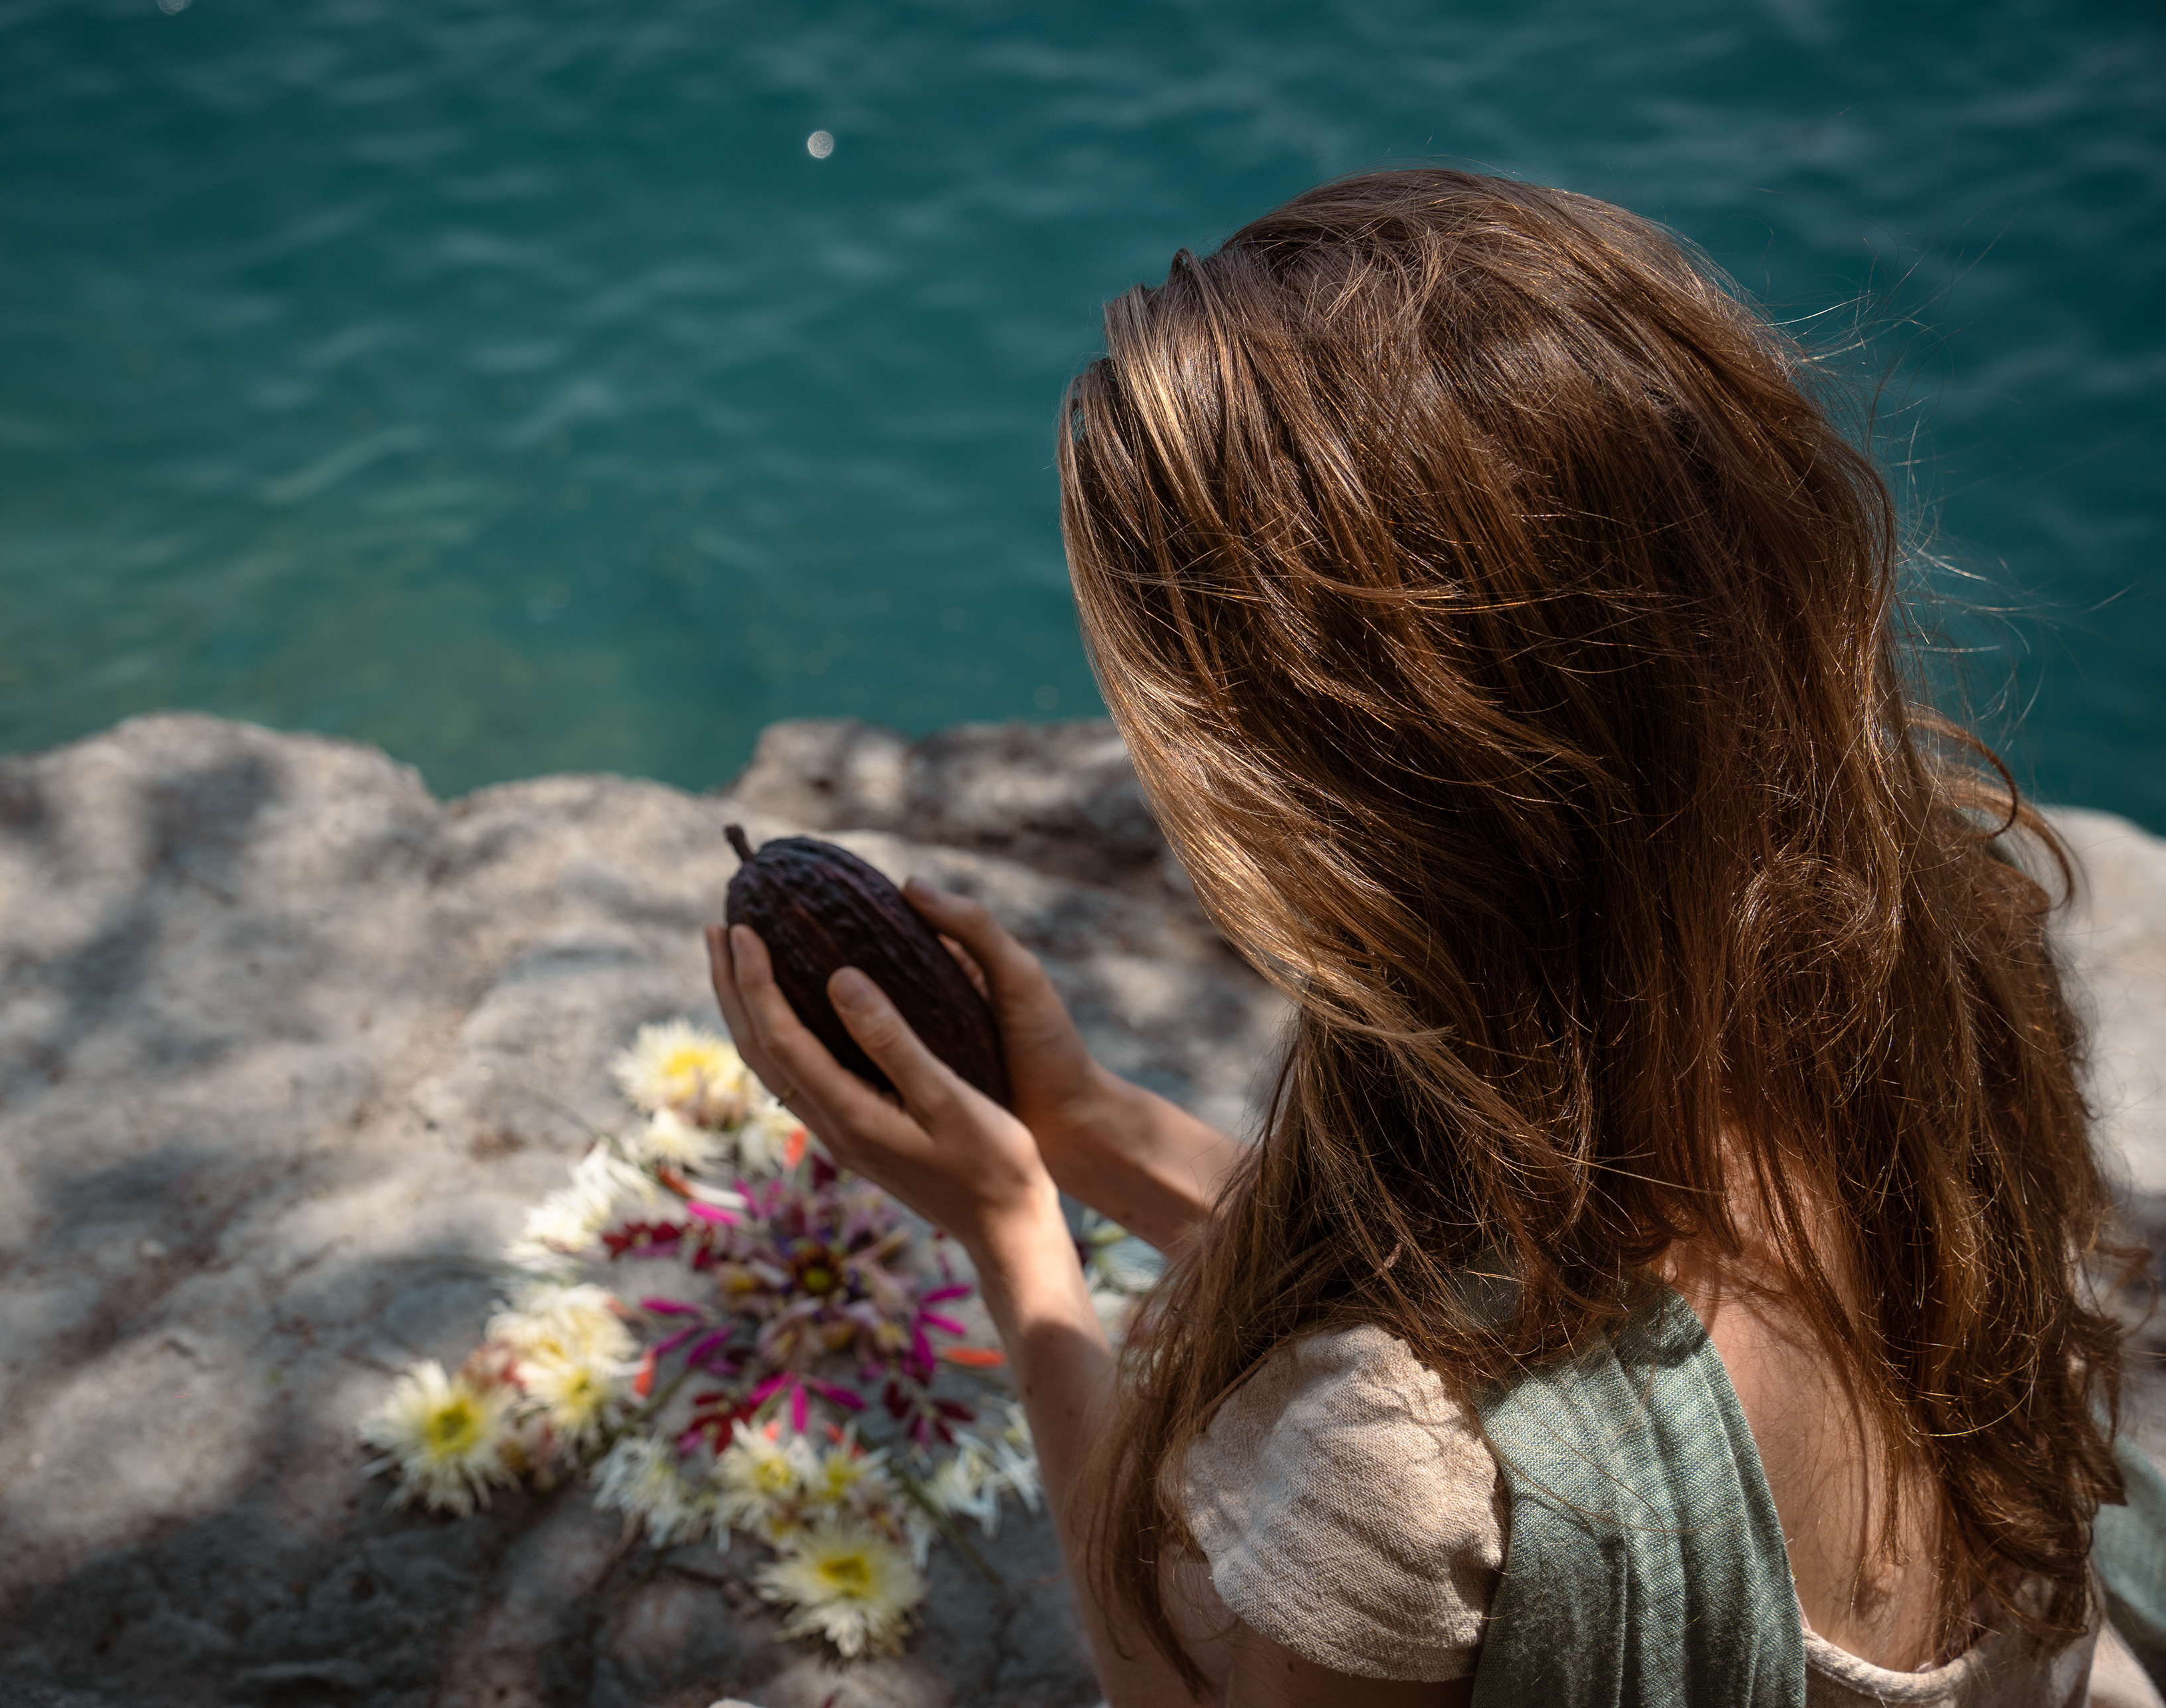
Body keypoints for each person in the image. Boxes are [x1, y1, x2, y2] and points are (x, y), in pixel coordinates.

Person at [706, 169, 2159, 1707]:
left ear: (1307, 799)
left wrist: (1016, 1249)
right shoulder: (1933, 977)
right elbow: (1527, 1278)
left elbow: (1177, 1682)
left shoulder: (1400, 1451)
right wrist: (1087, 1129)